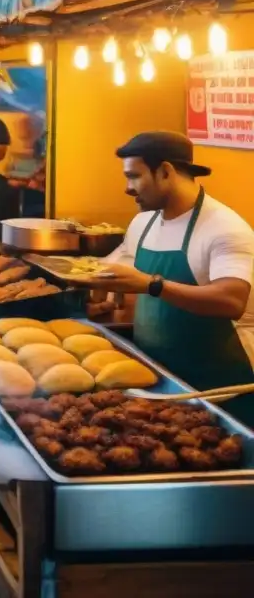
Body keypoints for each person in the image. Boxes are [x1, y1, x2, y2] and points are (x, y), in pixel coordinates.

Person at [86, 132, 254, 426]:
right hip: (159, 381)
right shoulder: (143, 222)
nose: (127, 188)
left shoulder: (225, 229)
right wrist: (97, 293)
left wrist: (151, 284)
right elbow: (110, 269)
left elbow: (231, 300)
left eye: (134, 176)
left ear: (165, 171)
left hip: (219, 392)